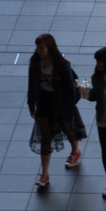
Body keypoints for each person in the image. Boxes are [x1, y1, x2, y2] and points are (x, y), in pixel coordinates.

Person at [26, 34, 85, 190]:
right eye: (38, 47)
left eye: (42, 47)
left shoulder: (62, 66)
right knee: (45, 137)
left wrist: (69, 110)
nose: (39, 50)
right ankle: (44, 173)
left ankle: (75, 150)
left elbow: (70, 91)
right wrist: (31, 103)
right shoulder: (35, 64)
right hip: (43, 103)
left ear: (49, 48)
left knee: (67, 128)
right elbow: (31, 84)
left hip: (59, 102)